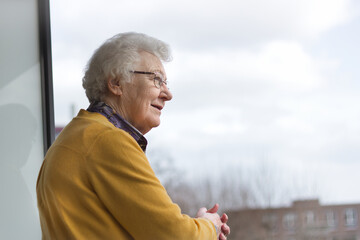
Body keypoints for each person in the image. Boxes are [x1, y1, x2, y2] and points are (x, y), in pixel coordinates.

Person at [36, 32, 230, 239]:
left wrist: (196, 226)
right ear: (116, 83)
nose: (168, 94)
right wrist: (209, 226)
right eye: (156, 80)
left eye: (166, 83)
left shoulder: (72, 139)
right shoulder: (107, 140)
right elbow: (176, 236)